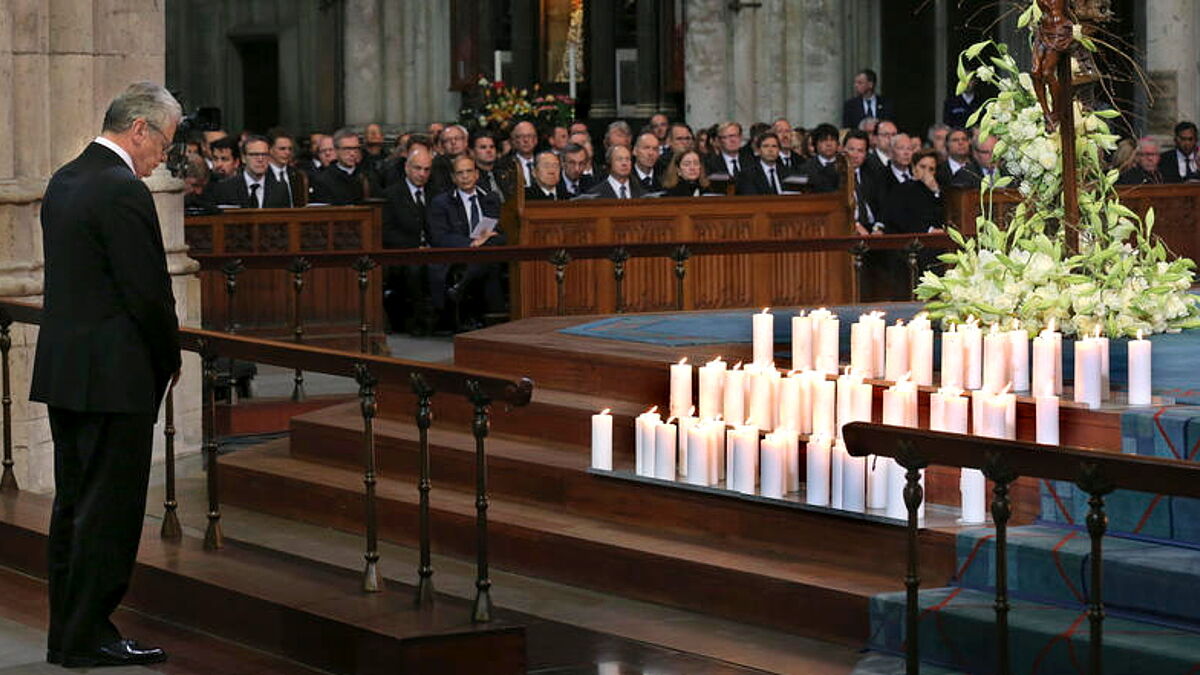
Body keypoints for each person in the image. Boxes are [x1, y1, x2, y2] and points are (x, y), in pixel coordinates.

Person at [33, 81, 180, 669]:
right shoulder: (120, 190)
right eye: (164, 144)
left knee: (73, 506)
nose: (162, 158)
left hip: (68, 374)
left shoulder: (65, 178)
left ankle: (67, 633)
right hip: (114, 379)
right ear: (138, 128)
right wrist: (167, 362)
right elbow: (147, 294)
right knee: (109, 514)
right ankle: (90, 634)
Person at [427, 155, 507, 326]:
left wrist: (485, 241)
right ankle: (496, 317)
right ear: (453, 178)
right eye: (460, 173)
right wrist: (471, 243)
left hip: (487, 251)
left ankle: (462, 286)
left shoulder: (490, 198)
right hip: (459, 254)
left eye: (469, 171)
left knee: (491, 253)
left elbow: (501, 231)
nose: (465, 176)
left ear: (477, 174)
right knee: (490, 264)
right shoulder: (441, 202)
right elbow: (439, 237)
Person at [381, 145, 434, 334]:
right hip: (402, 253)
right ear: (407, 168)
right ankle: (418, 321)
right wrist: (415, 247)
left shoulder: (434, 191)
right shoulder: (391, 195)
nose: (422, 174)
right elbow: (387, 232)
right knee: (414, 269)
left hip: (432, 250)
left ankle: (443, 320)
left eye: (427, 169)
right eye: (417, 168)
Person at [207, 135, 279, 208]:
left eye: (264, 154)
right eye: (254, 155)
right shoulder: (224, 188)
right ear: (243, 158)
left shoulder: (279, 189)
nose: (260, 159)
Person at [310, 128, 376, 204]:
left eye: (355, 148)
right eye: (347, 149)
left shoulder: (367, 176)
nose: (352, 153)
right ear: (336, 150)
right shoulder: (323, 180)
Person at [795, 124, 841, 193]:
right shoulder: (805, 168)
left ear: (838, 144)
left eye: (832, 140)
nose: (829, 144)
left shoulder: (844, 165)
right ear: (815, 144)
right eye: (824, 140)